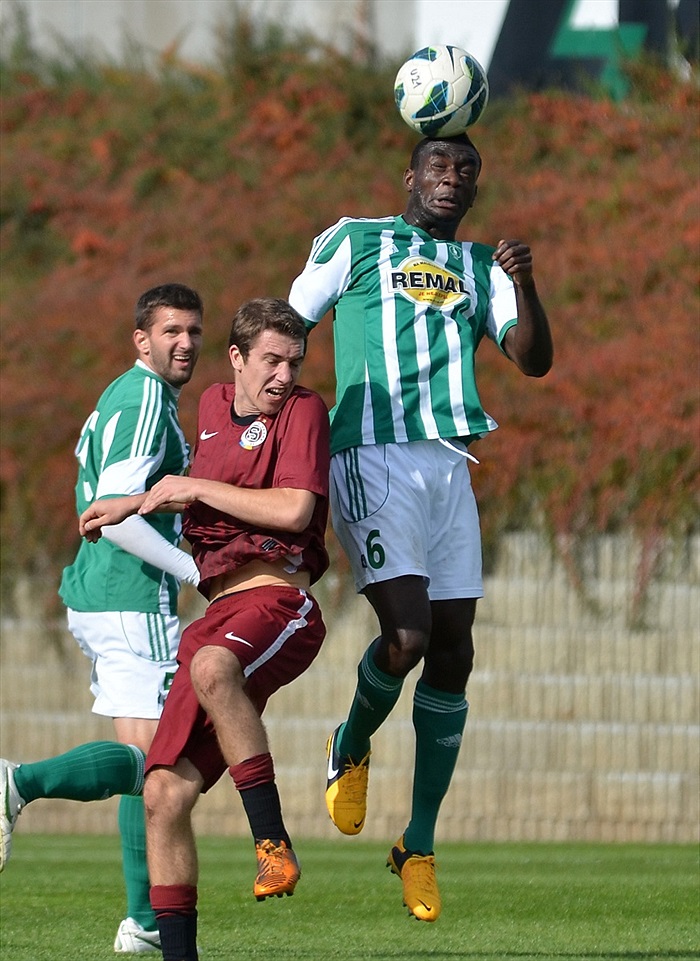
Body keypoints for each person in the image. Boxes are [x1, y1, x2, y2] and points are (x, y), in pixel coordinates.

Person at [288, 132, 553, 923]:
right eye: (438, 165)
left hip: (448, 464)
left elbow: (533, 359)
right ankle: (350, 739)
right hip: (371, 452)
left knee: (455, 649)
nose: (452, 177)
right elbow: (288, 324)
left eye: (466, 169)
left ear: (475, 187)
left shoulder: (482, 268)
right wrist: (266, 428)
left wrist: (525, 286)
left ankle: (420, 842)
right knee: (403, 637)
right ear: (410, 175)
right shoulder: (356, 239)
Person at [77, 298, 330, 961]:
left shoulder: (305, 411)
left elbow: (295, 507)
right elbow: (191, 489)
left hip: (278, 600)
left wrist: (191, 487)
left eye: (293, 362)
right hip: (216, 612)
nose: (283, 376)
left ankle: (272, 844)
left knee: (213, 667)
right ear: (238, 358)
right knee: (162, 792)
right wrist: (133, 502)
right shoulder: (214, 407)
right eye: (271, 361)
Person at [0, 283, 204, 953]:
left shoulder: (126, 393)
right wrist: (192, 569)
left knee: (147, 763)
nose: (184, 342)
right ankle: (17, 782)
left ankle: (143, 920)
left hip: (101, 594)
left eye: (193, 331)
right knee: (157, 764)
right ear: (141, 339)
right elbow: (116, 515)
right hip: (130, 594)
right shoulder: (145, 397)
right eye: (170, 330)